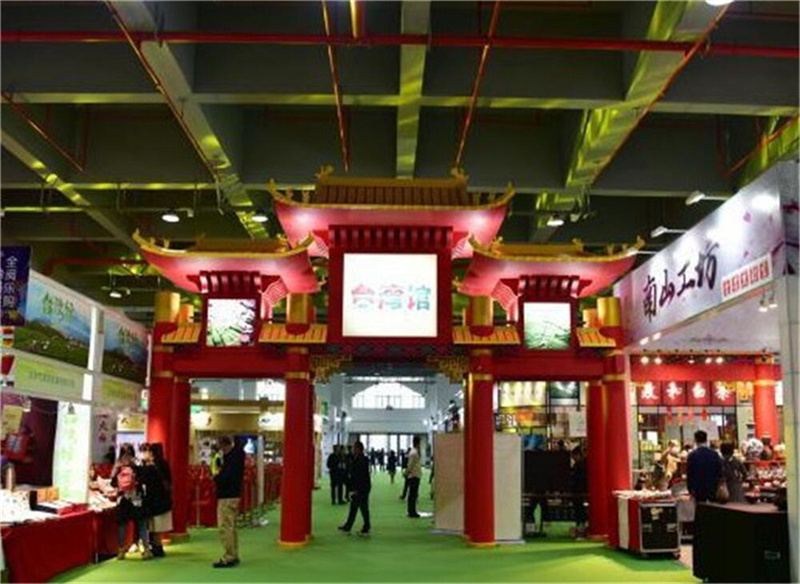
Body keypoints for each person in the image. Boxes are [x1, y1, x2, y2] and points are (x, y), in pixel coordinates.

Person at [111, 443, 150, 560]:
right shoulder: (137, 463)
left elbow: (113, 482)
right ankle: (146, 549)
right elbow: (144, 479)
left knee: (122, 525)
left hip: (123, 499)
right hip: (137, 499)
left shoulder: (118, 464)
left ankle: (121, 551)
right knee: (142, 524)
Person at [213, 435, 244, 568]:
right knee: (231, 527)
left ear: (223, 445)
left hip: (226, 496)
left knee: (225, 527)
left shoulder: (230, 459)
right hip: (234, 495)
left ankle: (229, 556)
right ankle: (233, 554)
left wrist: (217, 477)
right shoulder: (237, 456)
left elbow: (225, 477)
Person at [143, 443, 173, 557]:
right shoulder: (164, 464)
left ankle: (156, 546)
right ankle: (157, 546)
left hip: (154, 499)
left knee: (154, 524)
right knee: (158, 525)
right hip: (164, 499)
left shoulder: (151, 466)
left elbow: (146, 481)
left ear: (152, 452)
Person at [339, 441, 371, 535]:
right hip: (358, 487)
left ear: (358, 449)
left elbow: (360, 476)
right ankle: (348, 526)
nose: (353, 449)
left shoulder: (362, 460)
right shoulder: (356, 458)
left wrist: (356, 489)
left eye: (354, 448)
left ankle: (366, 527)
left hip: (361, 487)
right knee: (354, 507)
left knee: (363, 507)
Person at [687, 430, 723, 503]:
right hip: (712, 486)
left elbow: (690, 473)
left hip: (698, 488)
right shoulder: (714, 454)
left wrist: (690, 489)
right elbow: (720, 471)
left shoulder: (692, 455)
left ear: (695, 440)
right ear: (706, 439)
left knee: (700, 507)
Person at [568, 446, 588, 537]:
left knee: (579, 509)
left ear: (578, 455)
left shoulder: (579, 465)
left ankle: (580, 525)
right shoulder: (583, 464)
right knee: (579, 509)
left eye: (574, 456)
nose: (573, 458)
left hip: (579, 491)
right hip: (581, 490)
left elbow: (577, 479)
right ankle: (581, 525)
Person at [405, 437, 422, 518]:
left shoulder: (414, 452)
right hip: (414, 475)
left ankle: (411, 511)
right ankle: (412, 512)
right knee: (413, 495)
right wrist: (407, 472)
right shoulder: (414, 453)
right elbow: (410, 465)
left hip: (415, 474)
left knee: (413, 494)